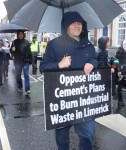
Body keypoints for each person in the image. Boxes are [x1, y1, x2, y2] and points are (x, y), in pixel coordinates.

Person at [40, 11, 98, 150]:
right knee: (62, 139)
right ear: (66, 26)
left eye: (80, 23)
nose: (78, 26)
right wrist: (59, 65)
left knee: (88, 134)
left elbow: (95, 59)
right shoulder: (54, 45)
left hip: (84, 99)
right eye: (74, 23)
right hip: (62, 101)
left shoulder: (88, 44)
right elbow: (43, 68)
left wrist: (92, 63)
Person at [10, 30, 32, 95]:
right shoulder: (14, 42)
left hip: (25, 61)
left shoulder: (26, 42)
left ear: (23, 35)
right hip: (17, 62)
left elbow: (29, 52)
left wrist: (31, 61)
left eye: (21, 34)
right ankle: (20, 86)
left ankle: (27, 89)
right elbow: (11, 51)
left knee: (26, 75)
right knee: (17, 76)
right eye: (19, 34)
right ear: (17, 35)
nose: (20, 35)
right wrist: (12, 49)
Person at [115, 39, 126, 106]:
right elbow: (116, 62)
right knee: (120, 85)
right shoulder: (119, 51)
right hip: (121, 71)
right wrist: (118, 70)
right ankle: (120, 100)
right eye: (125, 45)